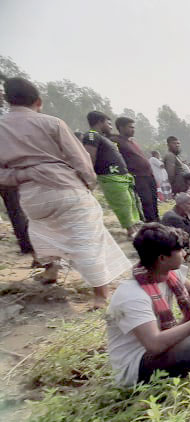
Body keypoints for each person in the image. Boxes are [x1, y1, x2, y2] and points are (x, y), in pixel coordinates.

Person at [0, 77, 130, 307]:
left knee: (41, 230)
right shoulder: (52, 123)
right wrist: (87, 184)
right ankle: (100, 295)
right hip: (64, 187)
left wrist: (22, 175)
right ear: (38, 101)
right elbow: (79, 159)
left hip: (31, 195)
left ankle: (51, 272)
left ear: (6, 100)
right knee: (86, 237)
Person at [106, 223, 190, 386]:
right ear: (162, 258)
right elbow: (155, 344)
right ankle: (168, 378)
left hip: (158, 347)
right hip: (138, 364)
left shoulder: (168, 273)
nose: (184, 253)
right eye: (180, 250)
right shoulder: (132, 295)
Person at [82, 111, 142, 237]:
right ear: (100, 122)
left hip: (121, 176)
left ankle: (135, 226)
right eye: (108, 123)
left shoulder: (103, 138)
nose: (110, 126)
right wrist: (89, 175)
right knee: (122, 203)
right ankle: (130, 230)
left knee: (130, 202)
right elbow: (89, 156)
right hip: (110, 176)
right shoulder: (91, 136)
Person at [112, 117, 159, 222]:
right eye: (130, 127)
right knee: (146, 202)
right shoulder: (116, 141)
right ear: (121, 127)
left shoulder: (132, 142)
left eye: (134, 127)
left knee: (153, 201)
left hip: (148, 175)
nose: (133, 129)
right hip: (138, 176)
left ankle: (157, 222)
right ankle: (151, 224)